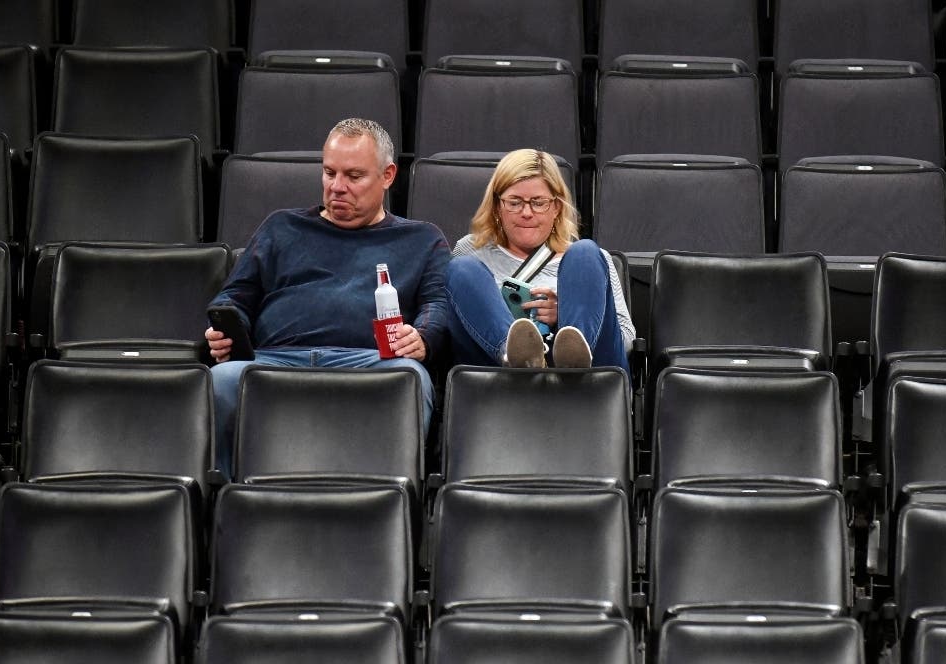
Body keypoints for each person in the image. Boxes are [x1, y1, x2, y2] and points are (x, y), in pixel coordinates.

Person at [205, 117, 450, 478]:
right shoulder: (281, 226)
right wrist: (227, 330)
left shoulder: (423, 239)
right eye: (329, 173)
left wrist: (422, 337)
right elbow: (235, 297)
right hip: (275, 360)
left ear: (387, 175)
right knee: (220, 379)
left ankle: (391, 498)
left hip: (370, 363)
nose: (337, 187)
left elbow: (438, 304)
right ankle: (227, 496)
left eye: (354, 176)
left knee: (409, 377)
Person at [445, 148, 635, 370]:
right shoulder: (469, 249)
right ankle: (516, 355)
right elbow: (449, 326)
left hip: (584, 377)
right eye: (514, 202)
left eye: (538, 202)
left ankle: (575, 354)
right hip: (500, 374)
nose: (527, 212)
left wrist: (564, 316)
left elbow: (626, 339)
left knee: (584, 251)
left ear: (556, 207)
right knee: (462, 269)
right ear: (497, 206)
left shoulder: (593, 261)